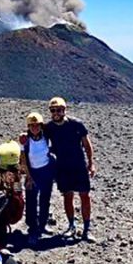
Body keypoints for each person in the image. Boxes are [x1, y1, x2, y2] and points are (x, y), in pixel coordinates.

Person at [43, 97, 96, 240]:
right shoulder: (49, 128)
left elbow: (86, 144)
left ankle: (86, 229)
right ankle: (71, 226)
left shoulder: (76, 124)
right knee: (68, 195)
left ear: (64, 110)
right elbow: (40, 142)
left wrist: (91, 163)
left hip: (78, 165)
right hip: (62, 167)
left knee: (85, 195)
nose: (56, 113)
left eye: (59, 110)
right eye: (53, 110)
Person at [18, 112, 55, 245]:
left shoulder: (46, 136)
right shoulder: (25, 140)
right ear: (28, 126)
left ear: (41, 125)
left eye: (37, 125)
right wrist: (28, 177)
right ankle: (33, 228)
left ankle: (43, 224)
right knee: (31, 201)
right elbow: (23, 159)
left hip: (46, 172)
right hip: (32, 173)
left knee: (45, 199)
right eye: (31, 125)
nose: (35, 127)